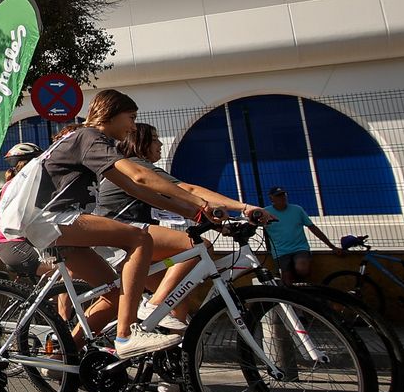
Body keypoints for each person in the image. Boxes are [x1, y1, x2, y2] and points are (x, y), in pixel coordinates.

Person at [27, 89, 214, 359]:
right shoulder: (89, 137)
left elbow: (139, 191)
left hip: (57, 224)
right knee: (139, 238)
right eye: (131, 117)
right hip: (51, 220)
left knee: (115, 294)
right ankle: (126, 336)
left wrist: (195, 212)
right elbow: (139, 176)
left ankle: (61, 358)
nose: (133, 126)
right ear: (111, 114)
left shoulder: (89, 141)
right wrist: (202, 203)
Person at [93, 123, 272, 326]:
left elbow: (179, 204)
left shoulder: (133, 166)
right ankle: (153, 306)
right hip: (121, 236)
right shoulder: (139, 166)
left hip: (123, 241)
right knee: (197, 247)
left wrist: (220, 225)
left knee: (176, 302)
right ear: (139, 142)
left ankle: (72, 346)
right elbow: (190, 191)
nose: (160, 143)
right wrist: (243, 207)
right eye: (154, 139)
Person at [0, 142, 44, 278]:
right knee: (67, 269)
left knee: (62, 276)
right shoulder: (23, 186)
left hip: (12, 245)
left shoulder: (9, 185)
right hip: (17, 245)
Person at [263, 186, 338, 283]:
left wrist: (331, 246)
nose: (282, 198)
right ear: (271, 198)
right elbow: (253, 225)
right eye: (278, 196)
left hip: (299, 248)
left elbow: (312, 227)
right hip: (280, 251)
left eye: (283, 195)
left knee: (302, 269)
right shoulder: (265, 212)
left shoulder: (297, 210)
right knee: (286, 278)